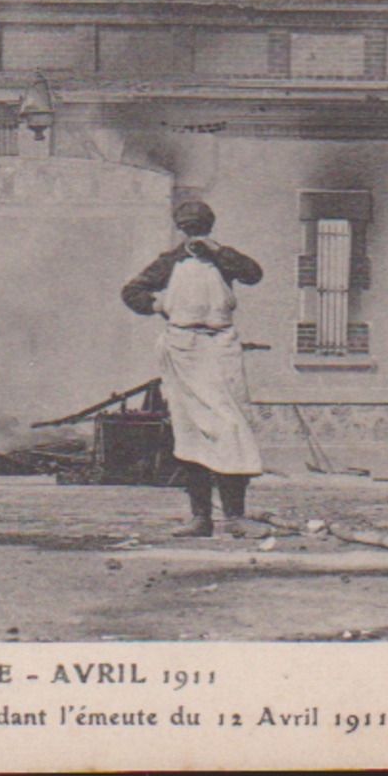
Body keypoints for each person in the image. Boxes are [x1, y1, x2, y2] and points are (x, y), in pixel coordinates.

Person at [122, 201, 267, 538]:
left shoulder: (224, 259)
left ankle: (235, 517)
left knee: (231, 427)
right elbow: (131, 291)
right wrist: (157, 304)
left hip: (220, 347)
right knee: (190, 432)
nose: (194, 233)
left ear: (210, 227)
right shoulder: (170, 262)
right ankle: (200, 517)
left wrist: (218, 251)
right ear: (180, 229)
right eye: (189, 228)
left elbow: (254, 274)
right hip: (184, 350)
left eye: (200, 227)